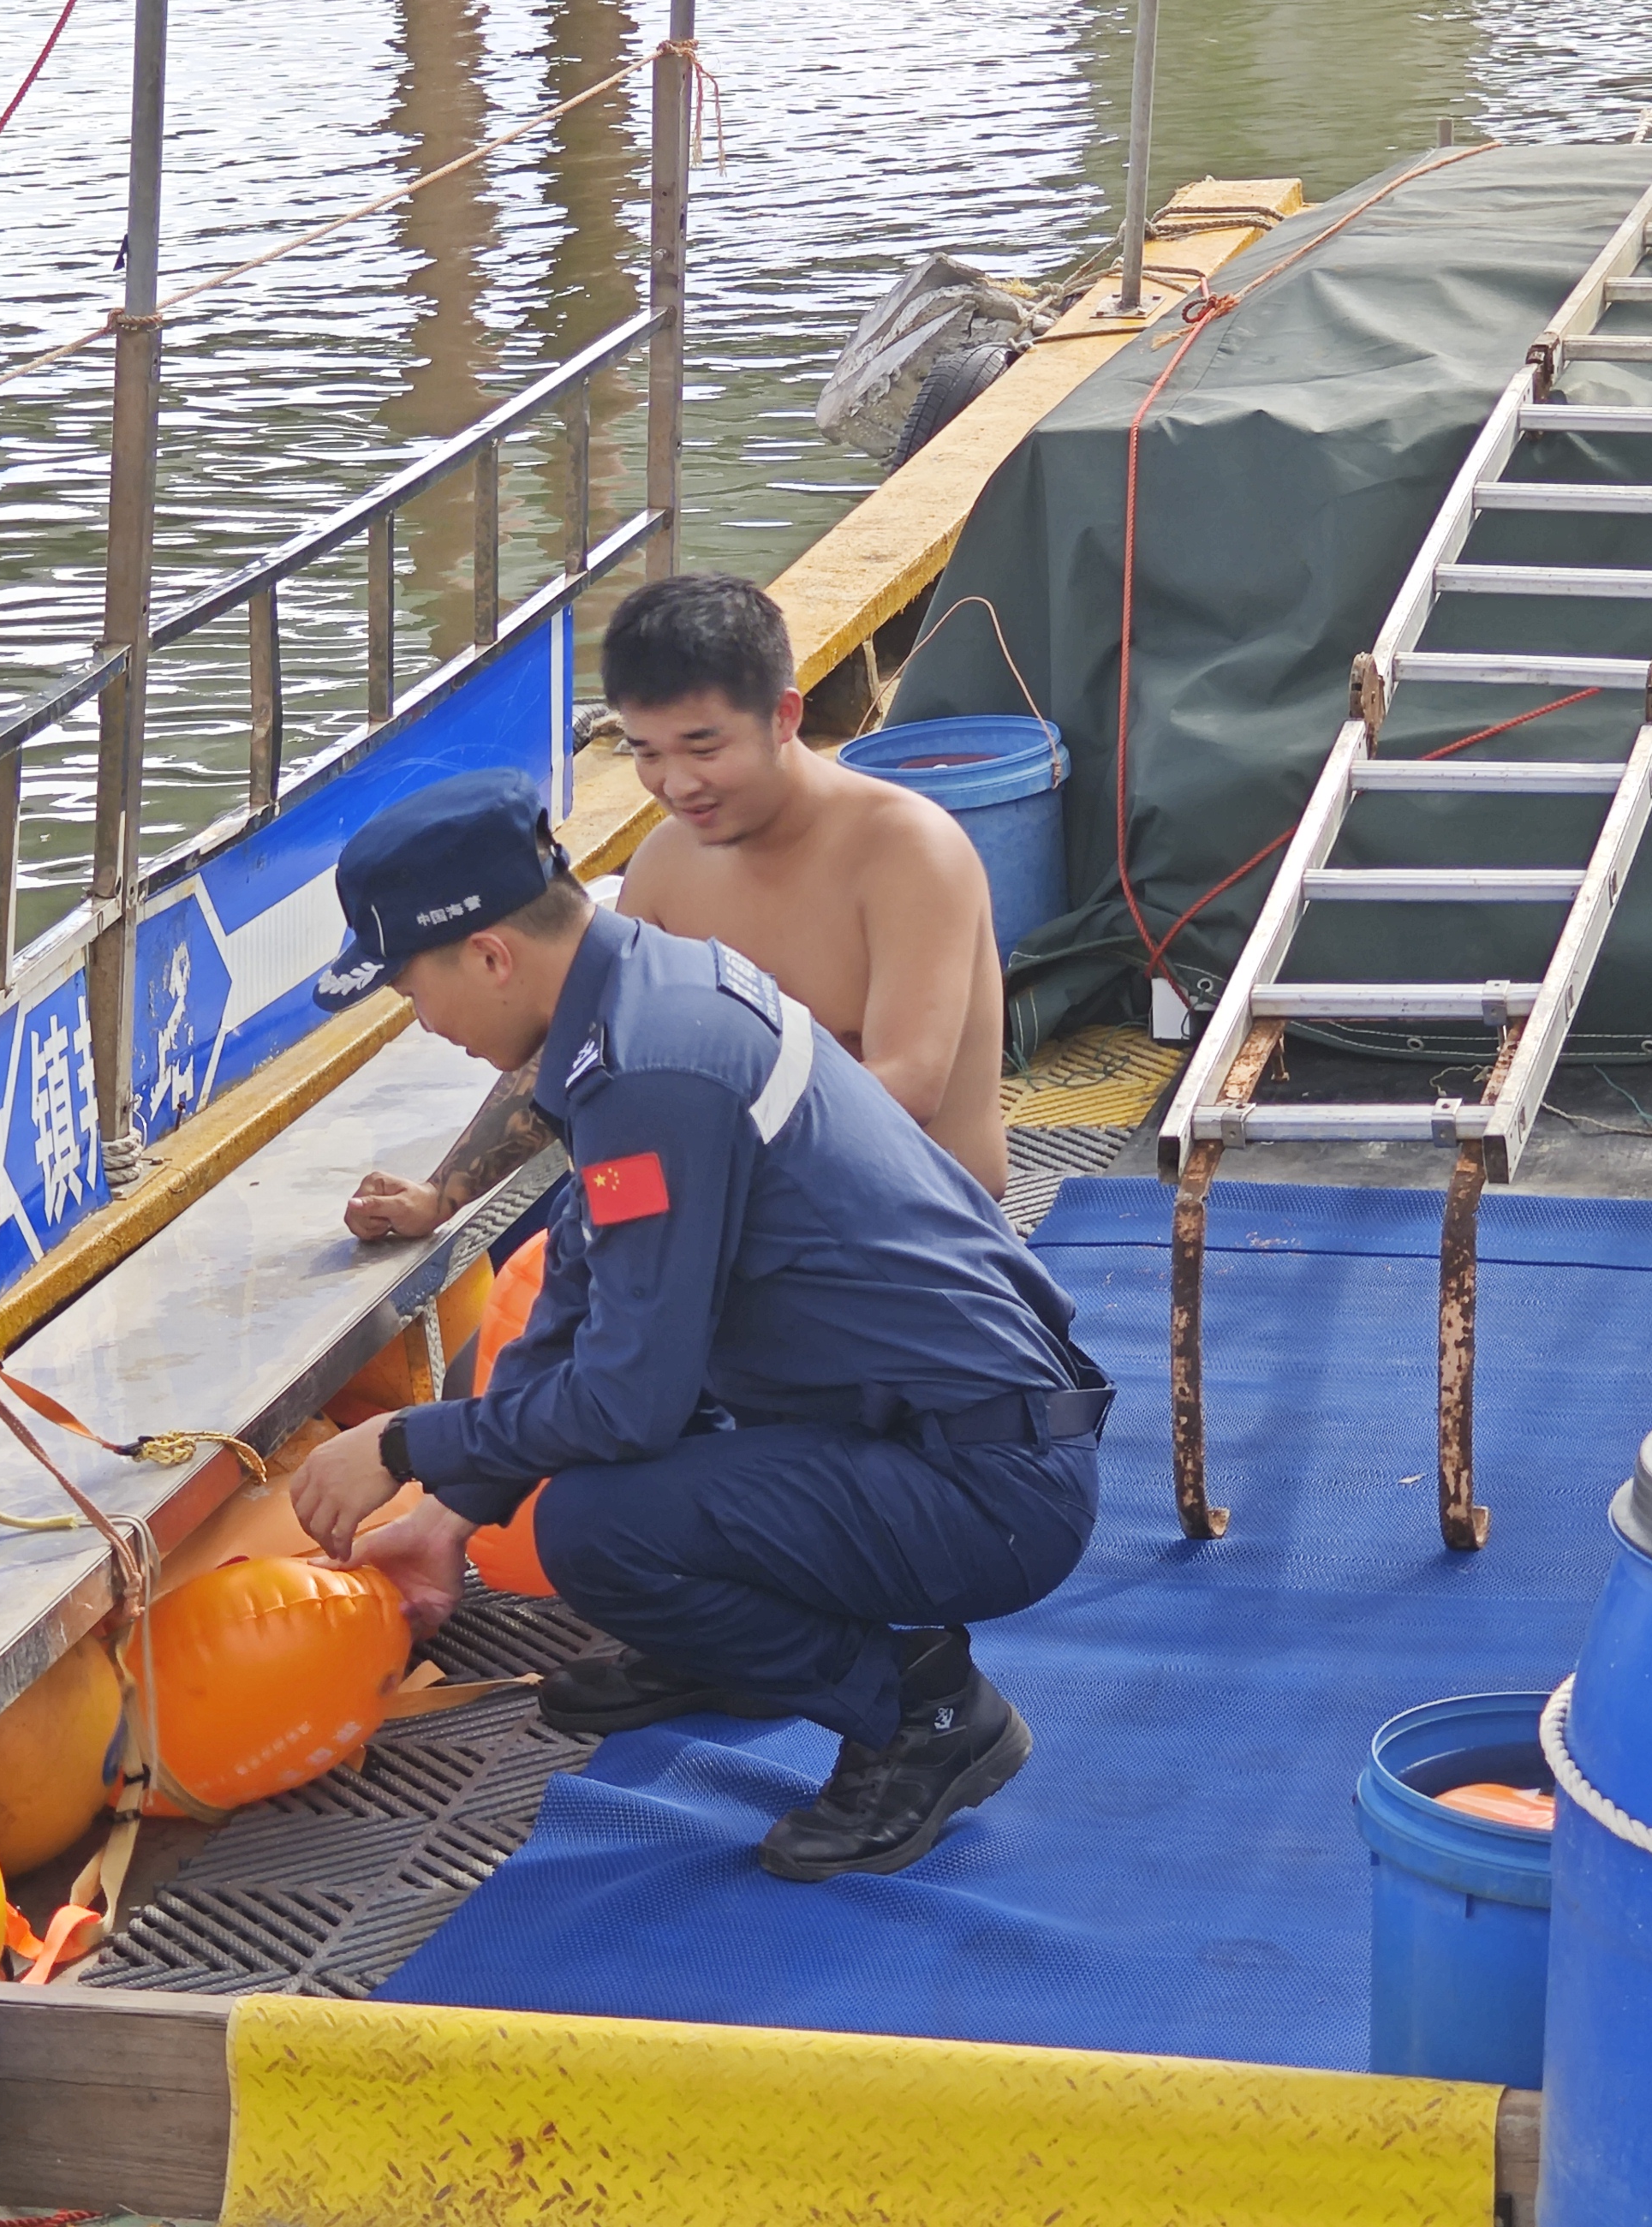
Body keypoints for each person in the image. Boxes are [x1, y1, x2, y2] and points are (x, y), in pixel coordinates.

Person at [289, 768, 1108, 1882]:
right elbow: (581, 1277)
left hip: (990, 1487)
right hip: (938, 1422)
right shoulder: (642, 989)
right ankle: (735, 1651)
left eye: (409, 991)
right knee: (592, 1442)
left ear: (489, 956)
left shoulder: (650, 1071)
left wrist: (399, 1446)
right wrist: (452, 1512)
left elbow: (628, 1402)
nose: (423, 1025)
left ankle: (923, 1712)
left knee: (600, 1528)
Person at [339, 571, 1007, 1243]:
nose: (678, 784)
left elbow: (908, 1089)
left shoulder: (909, 851)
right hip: (734, 1214)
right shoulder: (666, 862)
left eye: (704, 748)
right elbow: (582, 1038)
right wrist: (443, 1193)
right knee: (563, 1237)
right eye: (647, 752)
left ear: (784, 717)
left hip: (918, 1232)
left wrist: (662, 1170)